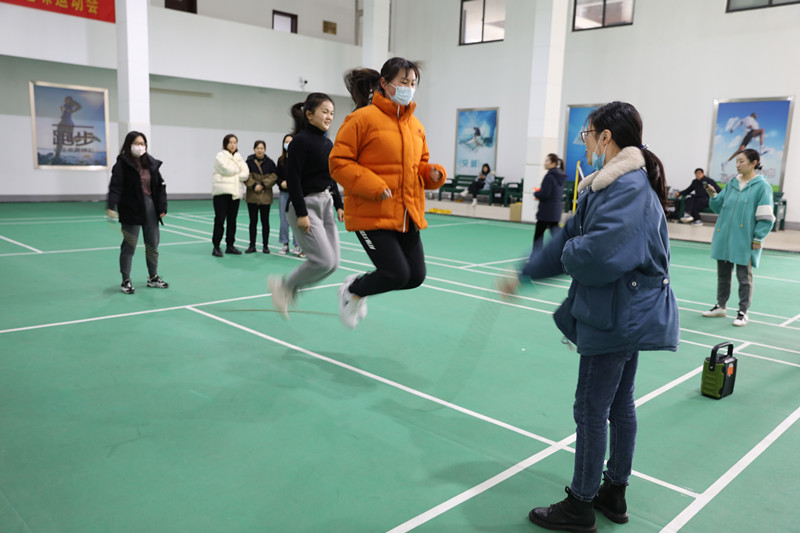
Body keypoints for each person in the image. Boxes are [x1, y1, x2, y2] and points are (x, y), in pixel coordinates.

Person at [498, 102, 679, 532]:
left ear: (606, 138)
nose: (586, 145)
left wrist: (568, 250)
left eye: (588, 135)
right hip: (624, 308)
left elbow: (597, 252)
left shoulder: (626, 186)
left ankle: (580, 504)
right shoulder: (611, 184)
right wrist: (527, 272)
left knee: (591, 407)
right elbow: (572, 234)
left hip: (618, 313)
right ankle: (613, 491)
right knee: (618, 402)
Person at [330, 57, 446, 329]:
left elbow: (419, 165)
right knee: (395, 274)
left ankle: (358, 287)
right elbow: (338, 163)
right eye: (403, 82)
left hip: (406, 214)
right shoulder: (360, 119)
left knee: (414, 277)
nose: (409, 88)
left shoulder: (416, 126)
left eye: (413, 83)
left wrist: (432, 174)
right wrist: (373, 186)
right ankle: (352, 291)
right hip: (371, 213)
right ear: (384, 83)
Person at [268, 93, 344, 318]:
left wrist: (339, 204)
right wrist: (302, 213)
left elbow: (331, 177)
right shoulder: (299, 142)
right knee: (323, 260)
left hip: (325, 204)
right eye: (324, 111)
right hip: (305, 206)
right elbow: (293, 179)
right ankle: (284, 286)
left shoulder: (327, 143)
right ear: (309, 115)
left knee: (333, 263)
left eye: (332, 113)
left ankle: (288, 290)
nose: (329, 116)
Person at [702, 148, 774, 327]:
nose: (738, 165)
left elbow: (765, 216)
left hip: (744, 239)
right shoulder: (733, 183)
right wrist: (713, 195)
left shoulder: (762, 186)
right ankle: (721, 306)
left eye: (741, 161)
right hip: (724, 237)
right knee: (723, 275)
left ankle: (743, 312)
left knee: (744, 278)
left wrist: (758, 238)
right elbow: (719, 207)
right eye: (736, 161)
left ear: (754, 163)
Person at [106, 131, 169, 294]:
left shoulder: (151, 163)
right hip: (131, 208)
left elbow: (160, 186)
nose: (140, 146)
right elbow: (115, 187)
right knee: (129, 246)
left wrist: (162, 207)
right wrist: (111, 206)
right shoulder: (122, 165)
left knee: (152, 244)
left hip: (150, 207)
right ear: (129, 145)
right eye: (136, 143)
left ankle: (153, 277)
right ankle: (125, 280)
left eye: (142, 143)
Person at [211, 133, 250, 257]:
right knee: (220, 220)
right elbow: (224, 169)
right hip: (222, 193)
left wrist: (236, 172)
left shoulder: (239, 158)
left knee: (232, 221)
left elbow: (246, 173)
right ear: (226, 144)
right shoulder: (220, 156)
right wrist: (238, 170)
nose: (233, 145)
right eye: (230, 142)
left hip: (235, 193)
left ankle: (230, 245)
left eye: (235, 142)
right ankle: (216, 246)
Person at [244, 140, 278, 254]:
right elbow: (245, 175)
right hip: (252, 196)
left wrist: (263, 185)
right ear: (254, 149)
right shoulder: (249, 162)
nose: (259, 150)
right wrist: (254, 185)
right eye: (257, 148)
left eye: (262, 148)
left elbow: (274, 176)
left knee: (265, 222)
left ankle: (265, 246)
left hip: (265, 196)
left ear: (265, 150)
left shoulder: (270, 163)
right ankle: (252, 245)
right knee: (253, 222)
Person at [532, 153, 567, 251]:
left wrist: (536, 193)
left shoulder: (549, 176)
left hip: (546, 212)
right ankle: (564, 252)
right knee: (556, 235)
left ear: (554, 163)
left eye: (547, 161)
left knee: (538, 235)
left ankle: (536, 256)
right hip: (555, 211)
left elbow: (545, 194)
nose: (545, 163)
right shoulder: (560, 176)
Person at [275, 133, 303, 257]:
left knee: (296, 219)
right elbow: (277, 176)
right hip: (284, 194)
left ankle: (297, 244)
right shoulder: (281, 160)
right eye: (286, 142)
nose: (288, 144)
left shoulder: (299, 159)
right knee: (284, 220)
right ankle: (285, 244)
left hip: (295, 194)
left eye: (290, 142)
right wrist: (281, 183)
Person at [54, 96, 81, 161]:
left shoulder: (71, 103)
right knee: (60, 138)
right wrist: (62, 109)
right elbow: (65, 113)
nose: (66, 100)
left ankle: (58, 153)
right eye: (65, 99)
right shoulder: (65, 105)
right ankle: (57, 154)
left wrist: (72, 111)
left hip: (67, 121)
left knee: (67, 138)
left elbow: (79, 106)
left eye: (67, 99)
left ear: (69, 99)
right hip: (64, 121)